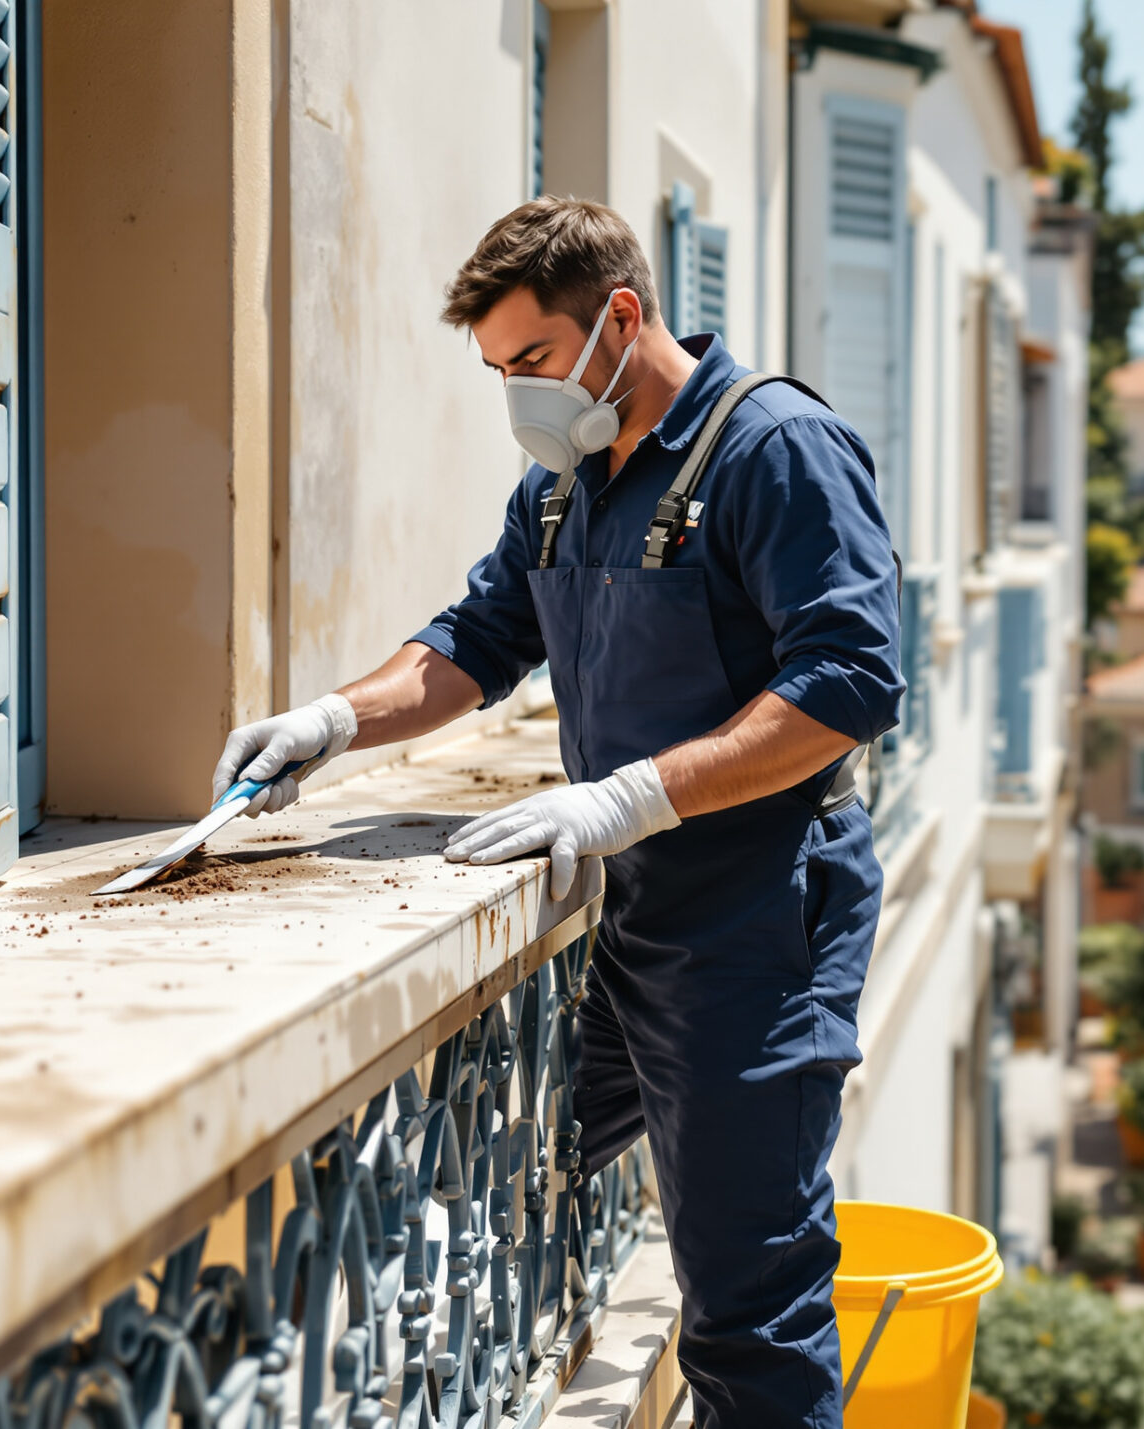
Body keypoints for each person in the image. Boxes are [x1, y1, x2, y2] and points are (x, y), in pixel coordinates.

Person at [212, 196, 901, 1428]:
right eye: (497, 372)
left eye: (531, 359)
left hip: (759, 923)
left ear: (620, 318)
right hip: (627, 916)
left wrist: (633, 794)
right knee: (508, 1176)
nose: (516, 394)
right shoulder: (563, 484)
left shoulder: (774, 449)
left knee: (748, 1307)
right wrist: (331, 720)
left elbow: (848, 683)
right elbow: (478, 641)